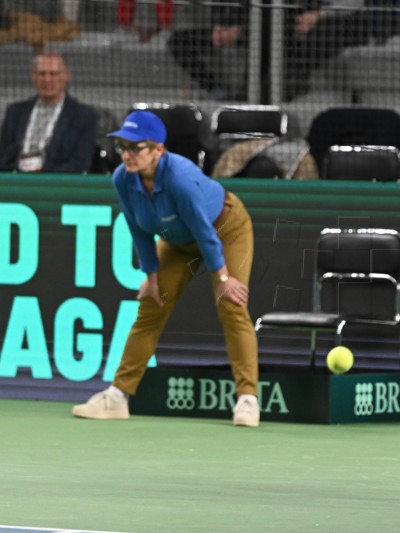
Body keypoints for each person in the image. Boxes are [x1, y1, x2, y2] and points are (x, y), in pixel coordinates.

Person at [72, 110, 261, 427]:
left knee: (231, 304)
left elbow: (205, 233)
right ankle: (117, 397)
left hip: (225, 228)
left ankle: (247, 399)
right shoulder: (122, 177)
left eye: (137, 147)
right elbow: (138, 229)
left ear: (159, 150)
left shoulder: (180, 179)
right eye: (123, 147)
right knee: (151, 304)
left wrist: (223, 279)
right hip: (177, 241)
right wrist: (151, 276)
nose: (128, 155)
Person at [0, 49, 96, 173]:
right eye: (42, 73)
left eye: (53, 74)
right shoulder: (14, 112)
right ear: (33, 76)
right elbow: (3, 157)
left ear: (67, 76)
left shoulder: (84, 116)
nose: (47, 80)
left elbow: (80, 163)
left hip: (57, 186)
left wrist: (43, 174)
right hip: (16, 183)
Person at [167, 0, 248, 100]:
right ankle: (215, 89)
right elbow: (218, 7)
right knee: (176, 42)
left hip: (250, 29)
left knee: (259, 48)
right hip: (222, 29)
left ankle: (248, 94)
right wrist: (218, 27)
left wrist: (241, 29)